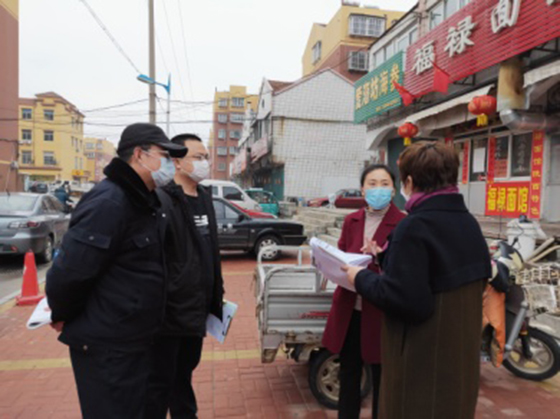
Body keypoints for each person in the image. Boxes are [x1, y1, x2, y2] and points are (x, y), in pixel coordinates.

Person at [45, 123, 187, 419]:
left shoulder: (144, 201)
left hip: (134, 342)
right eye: (165, 156)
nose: (171, 165)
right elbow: (70, 273)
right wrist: (62, 313)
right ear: (140, 154)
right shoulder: (109, 202)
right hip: (108, 348)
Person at [344, 141, 491, 419]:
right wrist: (385, 257)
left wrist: (360, 277)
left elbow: (407, 300)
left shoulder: (413, 225)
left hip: (422, 362)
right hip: (458, 361)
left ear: (409, 182)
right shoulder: (469, 223)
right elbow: (440, 271)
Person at [145, 133, 224, 419]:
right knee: (159, 384)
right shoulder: (161, 199)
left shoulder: (204, 197)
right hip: (169, 314)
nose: (205, 163)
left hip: (197, 310)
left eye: (206, 157)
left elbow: (210, 252)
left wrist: (217, 296)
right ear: (177, 162)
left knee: (183, 376)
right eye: (198, 157)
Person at [322, 164, 405, 419]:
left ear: (393, 190)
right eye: (372, 183)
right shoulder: (351, 220)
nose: (377, 189)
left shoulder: (403, 223)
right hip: (350, 310)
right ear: (362, 189)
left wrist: (380, 259)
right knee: (349, 374)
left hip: (382, 313)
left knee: (382, 378)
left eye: (384, 184)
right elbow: (340, 255)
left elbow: (404, 274)